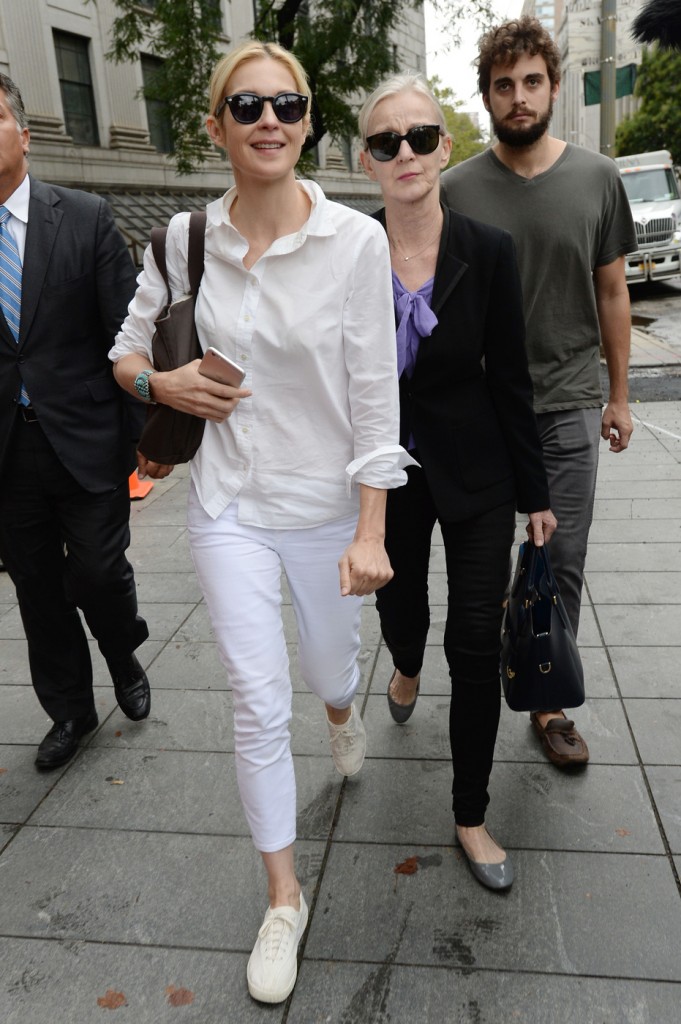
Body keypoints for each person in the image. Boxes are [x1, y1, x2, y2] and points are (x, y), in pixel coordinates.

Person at [109, 41, 413, 1005]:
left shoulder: (355, 243)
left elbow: (375, 401)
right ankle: (283, 896)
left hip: (326, 509)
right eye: (246, 106)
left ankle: (340, 706)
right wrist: (162, 380)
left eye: (285, 104)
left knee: (327, 668)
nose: (268, 119)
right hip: (228, 507)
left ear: (308, 120)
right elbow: (124, 354)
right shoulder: (181, 241)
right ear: (216, 128)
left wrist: (370, 531)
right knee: (253, 696)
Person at [358, 73, 556, 892]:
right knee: (403, 615)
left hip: (475, 472)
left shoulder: (488, 250)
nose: (404, 152)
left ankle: (469, 813)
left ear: (446, 146)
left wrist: (535, 493)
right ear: (366, 162)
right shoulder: (349, 253)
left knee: (473, 640)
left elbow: (511, 378)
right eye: (384, 141)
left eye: (420, 136)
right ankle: (401, 663)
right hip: (387, 476)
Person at [442, 17, 637, 769]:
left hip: (566, 400)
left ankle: (548, 698)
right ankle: (488, 672)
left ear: (554, 87)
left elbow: (612, 291)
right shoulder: (456, 188)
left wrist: (617, 396)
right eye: (503, 85)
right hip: (483, 411)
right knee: (488, 568)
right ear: (486, 95)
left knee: (561, 559)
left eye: (530, 82)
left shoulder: (596, 177)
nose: (517, 98)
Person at [0, 74, 151, 772]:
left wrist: (146, 437)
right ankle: (71, 710)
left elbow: (126, 338)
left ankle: (123, 653)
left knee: (95, 573)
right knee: (36, 590)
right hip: (9, 456)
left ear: (25, 136)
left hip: (86, 440)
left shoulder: (85, 217)